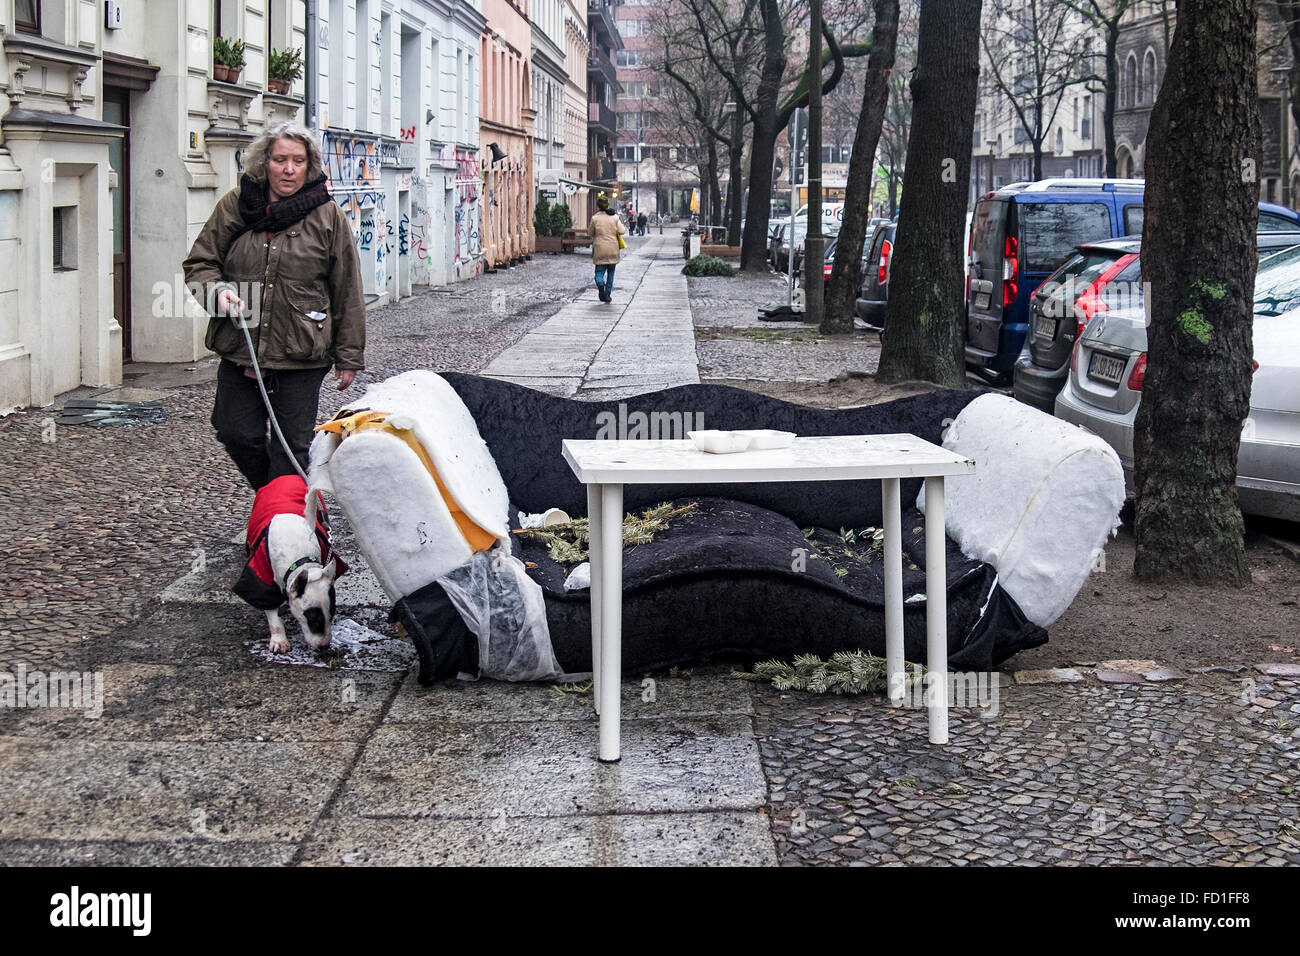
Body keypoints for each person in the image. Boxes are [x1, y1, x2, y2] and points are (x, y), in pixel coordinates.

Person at [184, 121, 365, 490]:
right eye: (280, 159)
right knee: (235, 431)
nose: (289, 169)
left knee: (290, 448)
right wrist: (215, 291)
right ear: (264, 162)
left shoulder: (328, 216)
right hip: (241, 347)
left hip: (301, 353)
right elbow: (200, 263)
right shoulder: (236, 205)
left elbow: (346, 288)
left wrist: (349, 356)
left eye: (298, 161)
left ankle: (284, 526)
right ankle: (276, 499)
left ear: (309, 165)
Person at [589, 194, 626, 303]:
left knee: (599, 272)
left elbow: (590, 233)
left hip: (600, 249)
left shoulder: (595, 218)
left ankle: (600, 284)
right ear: (607, 205)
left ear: (598, 205)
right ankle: (607, 295)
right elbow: (622, 231)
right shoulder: (614, 217)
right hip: (613, 249)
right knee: (611, 272)